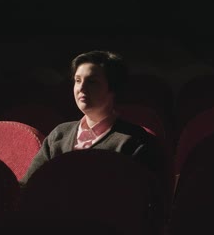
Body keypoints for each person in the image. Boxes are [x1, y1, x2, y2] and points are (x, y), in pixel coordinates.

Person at [20, 51, 163, 185]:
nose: (81, 88)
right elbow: (29, 184)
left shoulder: (135, 141)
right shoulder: (60, 133)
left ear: (113, 88)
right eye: (77, 80)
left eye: (92, 82)